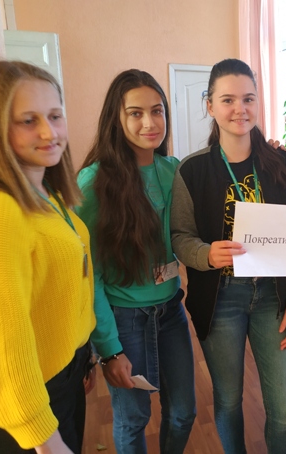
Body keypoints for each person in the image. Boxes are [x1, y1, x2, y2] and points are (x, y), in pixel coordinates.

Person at [171, 58, 286, 454]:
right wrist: (205, 254)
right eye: (227, 100)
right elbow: (180, 237)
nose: (239, 109)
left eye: (248, 98)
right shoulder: (191, 170)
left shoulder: (281, 163)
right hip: (220, 298)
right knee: (228, 400)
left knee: (284, 409)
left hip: (273, 297)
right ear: (210, 105)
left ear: (258, 102)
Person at [0, 61, 95, 454]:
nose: (49, 132)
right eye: (29, 121)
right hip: (27, 401)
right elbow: (5, 338)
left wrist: (85, 352)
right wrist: (45, 439)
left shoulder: (46, 192)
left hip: (63, 372)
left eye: (55, 116)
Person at [76, 69, 195, 454]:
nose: (150, 122)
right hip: (124, 319)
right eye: (136, 113)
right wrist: (109, 348)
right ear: (117, 118)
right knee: (133, 418)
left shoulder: (173, 169)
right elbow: (87, 274)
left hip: (171, 310)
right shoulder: (94, 182)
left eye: (157, 111)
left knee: (184, 413)